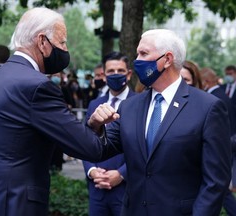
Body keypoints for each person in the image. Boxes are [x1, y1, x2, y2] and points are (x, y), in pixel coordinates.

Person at [0, 8, 113, 216]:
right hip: (15, 205)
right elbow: (90, 148)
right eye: (62, 43)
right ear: (42, 42)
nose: (65, 49)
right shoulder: (37, 86)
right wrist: (97, 126)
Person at [88, 29, 231, 215]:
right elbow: (99, 149)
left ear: (167, 59)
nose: (136, 59)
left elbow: (216, 181)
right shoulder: (129, 107)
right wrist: (94, 125)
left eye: (144, 53)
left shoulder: (208, 107)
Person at [83, 51, 135, 216]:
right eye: (111, 71)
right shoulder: (94, 104)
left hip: (127, 189)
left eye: (120, 71)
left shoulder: (139, 103)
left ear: (129, 74)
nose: (116, 74)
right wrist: (92, 171)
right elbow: (85, 141)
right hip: (98, 188)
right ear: (104, 75)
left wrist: (121, 174)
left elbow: (145, 147)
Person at [200, 67, 236, 215]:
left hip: (222, 144)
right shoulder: (221, 94)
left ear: (206, 81)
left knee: (218, 185)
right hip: (226, 142)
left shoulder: (215, 98)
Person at [221, 65, 236, 192]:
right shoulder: (222, 88)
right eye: (226, 73)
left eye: (230, 73)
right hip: (226, 127)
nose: (228, 76)